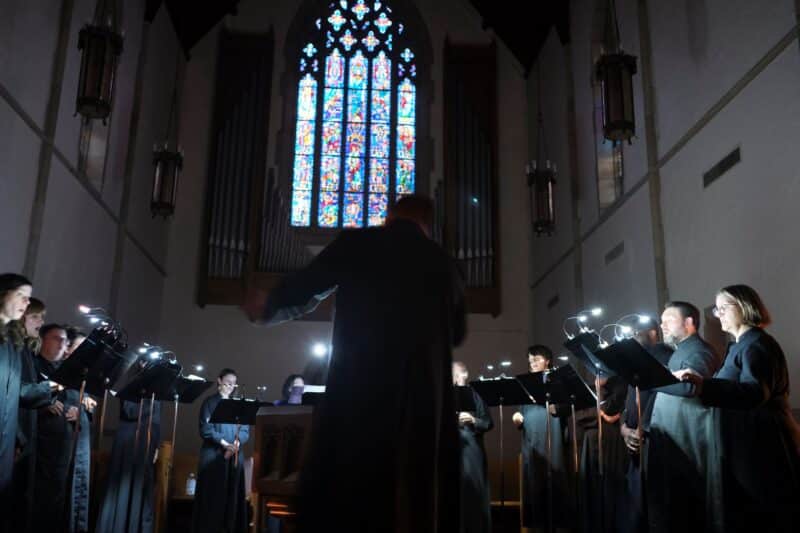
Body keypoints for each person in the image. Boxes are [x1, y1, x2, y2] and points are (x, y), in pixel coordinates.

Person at [244, 194, 466, 532]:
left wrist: (270, 304)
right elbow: (458, 332)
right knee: (412, 498)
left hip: (361, 390)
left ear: (390, 216)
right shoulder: (445, 263)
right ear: (426, 223)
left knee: (351, 490)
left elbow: (309, 285)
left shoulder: (360, 242)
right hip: (420, 406)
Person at [677, 285, 800, 532]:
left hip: (762, 443)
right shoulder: (739, 345)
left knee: (766, 515)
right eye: (716, 309)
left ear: (745, 308)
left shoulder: (757, 344)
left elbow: (755, 392)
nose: (718, 314)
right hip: (745, 441)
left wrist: (704, 385)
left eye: (724, 307)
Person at [647, 301, 722, 533]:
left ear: (689, 322)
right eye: (661, 321)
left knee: (687, 509)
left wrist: (649, 377)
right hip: (673, 439)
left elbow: (691, 387)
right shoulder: (680, 351)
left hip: (688, 441)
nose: (662, 325)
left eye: (668, 319)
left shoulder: (700, 350)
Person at [0, 273, 54, 533]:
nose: (25, 301)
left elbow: (15, 392)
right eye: (20, 294)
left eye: (28, 297)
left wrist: (50, 387)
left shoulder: (10, 342)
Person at [32, 323, 94, 533]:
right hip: (47, 446)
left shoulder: (76, 374)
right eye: (76, 346)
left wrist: (83, 408)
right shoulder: (38, 365)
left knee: (67, 496)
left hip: (71, 443)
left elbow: (80, 401)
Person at [617, 317, 673, 533]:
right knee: (634, 507)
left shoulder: (663, 354)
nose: (631, 337)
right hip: (632, 435)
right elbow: (629, 399)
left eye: (636, 332)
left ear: (652, 333)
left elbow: (660, 395)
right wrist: (623, 426)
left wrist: (641, 427)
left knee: (651, 506)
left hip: (650, 438)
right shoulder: (635, 360)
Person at [96, 355, 162, 533]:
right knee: (125, 488)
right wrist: (150, 398)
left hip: (147, 443)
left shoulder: (156, 389)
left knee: (143, 489)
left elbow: (156, 420)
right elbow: (130, 411)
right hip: (129, 441)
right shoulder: (131, 382)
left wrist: (156, 446)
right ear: (141, 364)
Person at [512, 345, 571, 532]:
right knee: (533, 482)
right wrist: (517, 417)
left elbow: (569, 405)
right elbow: (522, 410)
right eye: (530, 361)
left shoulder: (558, 380)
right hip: (531, 437)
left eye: (536, 359)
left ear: (547, 360)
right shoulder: (526, 382)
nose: (532, 363)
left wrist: (557, 408)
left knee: (554, 480)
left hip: (551, 434)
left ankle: (557, 525)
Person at [192, 368, 250, 533]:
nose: (231, 386)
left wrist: (236, 445)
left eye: (233, 383)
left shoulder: (238, 404)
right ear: (219, 381)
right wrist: (225, 444)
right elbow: (206, 429)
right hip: (214, 457)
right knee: (213, 500)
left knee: (233, 500)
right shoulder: (209, 402)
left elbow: (245, 430)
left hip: (235, 456)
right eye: (228, 382)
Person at [9, 296, 48, 531]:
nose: (40, 323)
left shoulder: (27, 351)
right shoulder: (13, 348)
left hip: (24, 435)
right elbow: (18, 392)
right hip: (15, 433)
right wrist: (52, 388)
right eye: (36, 317)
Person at [453, 361, 493, 533]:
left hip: (471, 449)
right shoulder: (444, 394)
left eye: (457, 373)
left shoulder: (476, 394)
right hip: (450, 448)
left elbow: (488, 423)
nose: (454, 378)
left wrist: (473, 420)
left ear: (465, 374)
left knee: (473, 493)